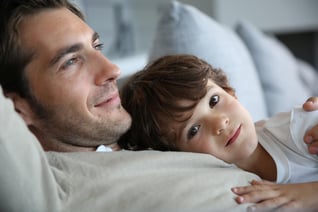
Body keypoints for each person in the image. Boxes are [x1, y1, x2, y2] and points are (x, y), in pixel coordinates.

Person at [1, 0, 318, 211]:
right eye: (71, 61)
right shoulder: (53, 186)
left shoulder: (142, 139)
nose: (112, 70)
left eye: (97, 46)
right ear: (18, 109)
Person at [119, 54, 318, 211]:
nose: (220, 123)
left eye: (214, 101)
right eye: (194, 130)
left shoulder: (303, 129)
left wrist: (311, 193)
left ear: (230, 92)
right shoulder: (214, 184)